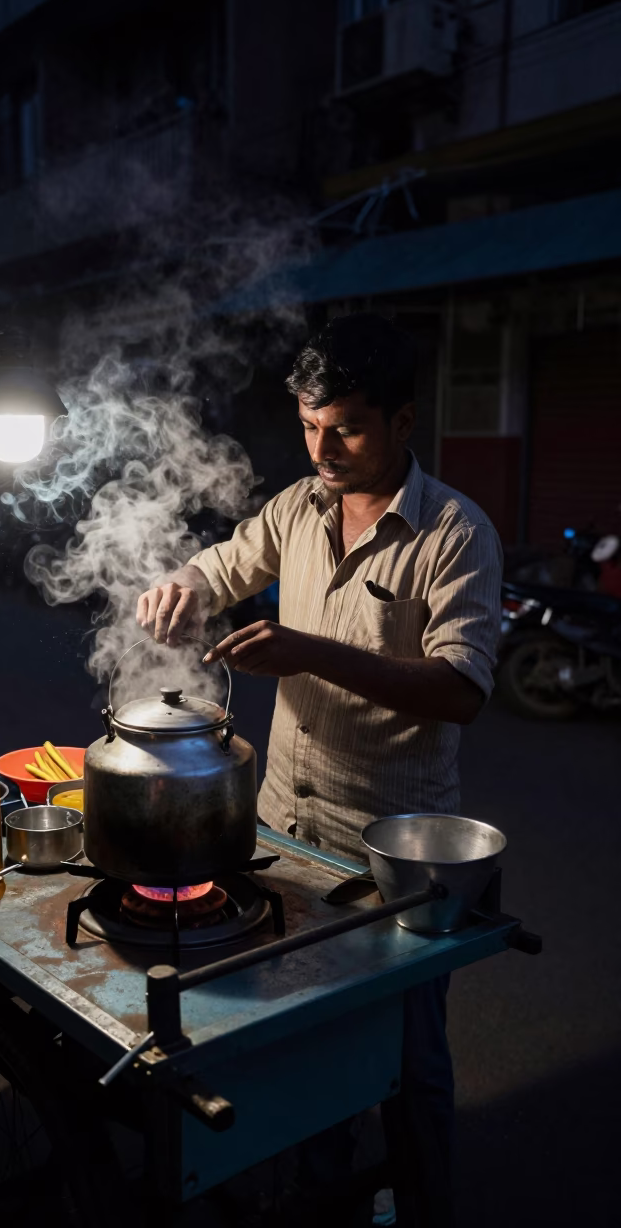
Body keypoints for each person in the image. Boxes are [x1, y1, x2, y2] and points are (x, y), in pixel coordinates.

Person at [136, 313, 503, 1228]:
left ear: (403, 421)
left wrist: (307, 650)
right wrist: (181, 579)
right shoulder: (297, 508)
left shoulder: (456, 533)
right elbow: (224, 563)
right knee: (300, 1046)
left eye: (344, 426)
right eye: (308, 425)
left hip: (391, 853)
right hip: (279, 831)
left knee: (408, 1064)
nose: (322, 448)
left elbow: (461, 689)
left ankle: (426, 1208)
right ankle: (320, 1203)